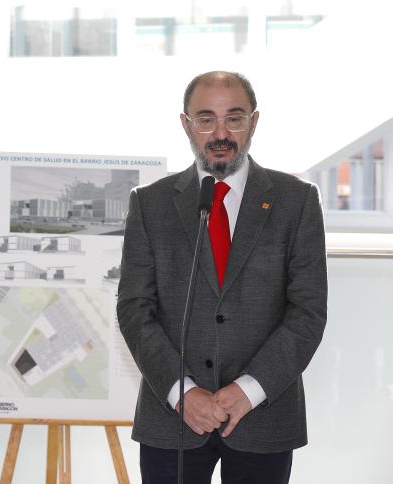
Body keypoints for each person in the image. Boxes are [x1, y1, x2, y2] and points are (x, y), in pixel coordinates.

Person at [117, 71, 327, 484]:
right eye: (205, 119)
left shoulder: (296, 201)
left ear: (254, 122)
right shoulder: (150, 204)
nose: (220, 133)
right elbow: (134, 310)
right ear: (185, 124)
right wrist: (184, 393)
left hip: (264, 417)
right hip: (173, 421)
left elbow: (308, 312)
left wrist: (248, 390)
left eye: (234, 118)